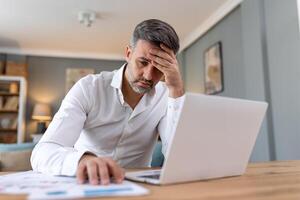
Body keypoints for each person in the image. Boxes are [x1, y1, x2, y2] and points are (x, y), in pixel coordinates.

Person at [30, 19, 185, 185]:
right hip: (89, 181)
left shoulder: (166, 97)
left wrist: (176, 90)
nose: (148, 76)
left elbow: (179, 158)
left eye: (159, 67)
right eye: (143, 62)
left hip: (140, 187)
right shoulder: (88, 88)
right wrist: (82, 160)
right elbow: (42, 152)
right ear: (128, 54)